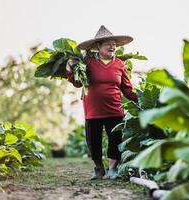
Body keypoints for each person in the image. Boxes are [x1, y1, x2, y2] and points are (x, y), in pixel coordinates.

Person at [65, 25, 138, 180]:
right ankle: (99, 168)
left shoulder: (119, 64)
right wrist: (70, 69)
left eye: (114, 44)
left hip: (115, 109)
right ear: (98, 46)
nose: (112, 47)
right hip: (93, 111)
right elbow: (78, 83)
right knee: (93, 142)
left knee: (115, 140)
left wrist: (140, 100)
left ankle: (112, 169)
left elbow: (127, 89)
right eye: (108, 44)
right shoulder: (88, 63)